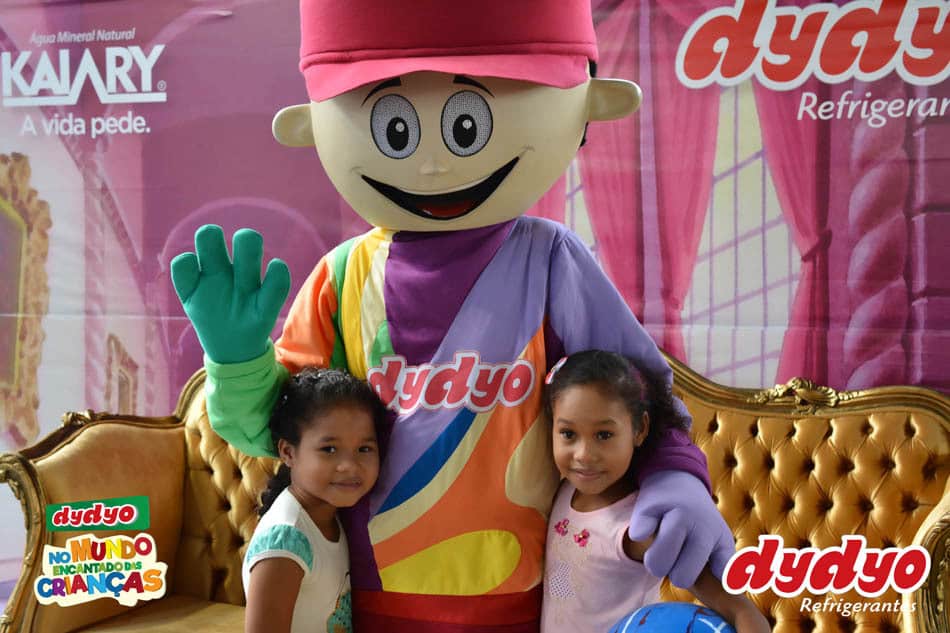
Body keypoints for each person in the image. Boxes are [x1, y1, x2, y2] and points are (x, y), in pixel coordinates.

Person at [171, 1, 735, 629]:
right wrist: (239, 363)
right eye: (395, 127)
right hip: (371, 596)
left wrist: (674, 472)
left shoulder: (548, 259)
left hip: (520, 597)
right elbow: (280, 431)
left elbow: (636, 389)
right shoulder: (343, 276)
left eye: (468, 124)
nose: (435, 161)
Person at [542, 351, 770, 633]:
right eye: (568, 434)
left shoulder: (637, 528)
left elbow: (738, 608)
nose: (584, 455)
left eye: (604, 435)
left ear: (640, 430)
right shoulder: (562, 489)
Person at [242, 368, 386, 633]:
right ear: (288, 452)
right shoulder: (286, 542)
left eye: (364, 449)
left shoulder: (332, 516)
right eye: (329, 449)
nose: (349, 465)